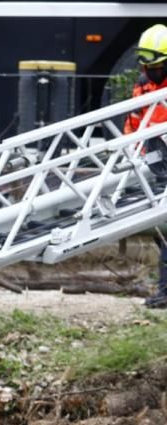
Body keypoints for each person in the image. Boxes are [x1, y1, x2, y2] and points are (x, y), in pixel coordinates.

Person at [126, 24, 167, 308]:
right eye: (147, 66)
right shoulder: (143, 84)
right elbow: (133, 121)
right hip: (154, 160)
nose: (151, 71)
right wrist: (130, 155)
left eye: (157, 66)